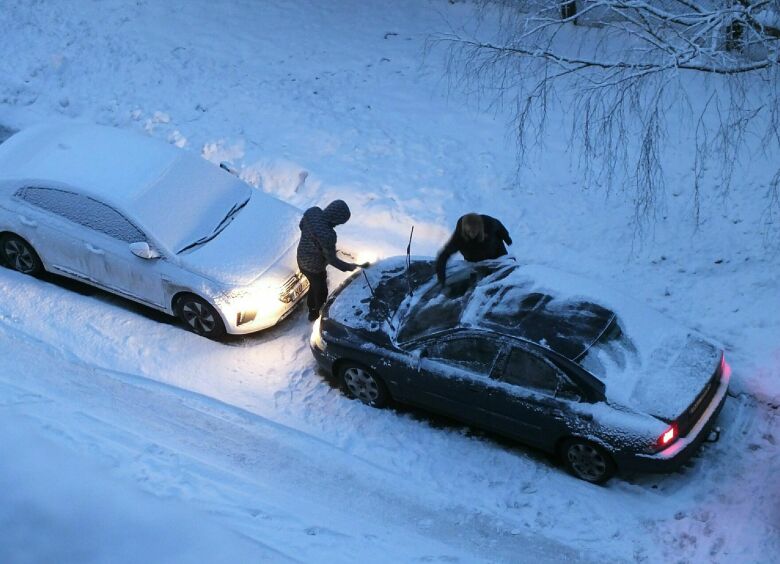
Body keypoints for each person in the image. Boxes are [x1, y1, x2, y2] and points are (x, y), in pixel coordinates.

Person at [297, 199, 367, 321]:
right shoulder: (328, 235)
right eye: (340, 222)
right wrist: (349, 266)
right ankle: (316, 314)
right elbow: (332, 260)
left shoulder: (313, 212)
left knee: (313, 285)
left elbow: (301, 225)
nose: (337, 225)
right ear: (336, 219)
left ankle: (312, 308)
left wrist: (311, 240)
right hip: (314, 267)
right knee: (321, 291)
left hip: (301, 257)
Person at [435, 212, 512, 285]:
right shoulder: (459, 238)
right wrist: (441, 277)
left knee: (507, 274)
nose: (472, 234)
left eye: (475, 231)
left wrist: (507, 238)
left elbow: (500, 226)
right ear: (465, 229)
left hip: (497, 254)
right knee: (476, 281)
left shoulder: (489, 223)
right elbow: (443, 255)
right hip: (474, 261)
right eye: (470, 231)